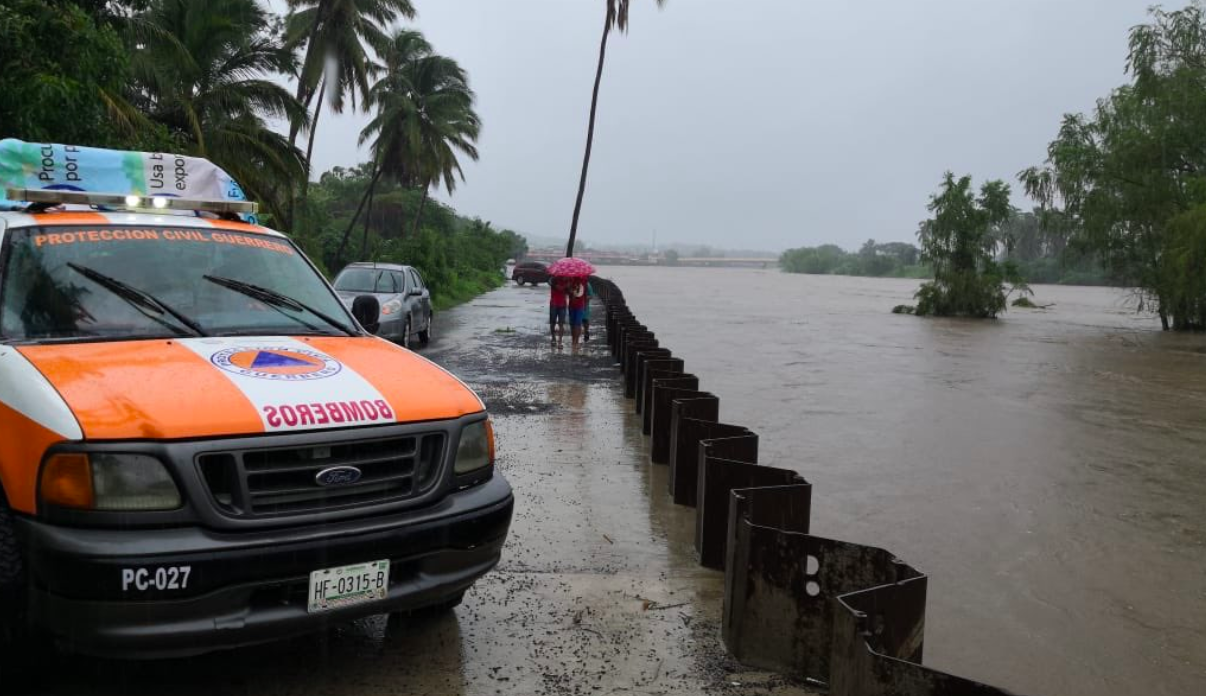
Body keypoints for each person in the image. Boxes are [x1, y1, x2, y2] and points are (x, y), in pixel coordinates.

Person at [568, 278, 588, 348]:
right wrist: (570, 291)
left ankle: (576, 341)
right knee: (573, 324)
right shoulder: (570, 281)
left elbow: (584, 293)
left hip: (580, 306)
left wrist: (585, 304)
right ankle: (574, 340)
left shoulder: (583, 281)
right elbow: (568, 293)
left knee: (577, 324)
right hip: (572, 306)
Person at [549, 276, 569, 347]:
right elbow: (559, 288)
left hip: (562, 304)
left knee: (561, 324)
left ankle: (560, 341)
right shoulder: (553, 279)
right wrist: (566, 285)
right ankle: (553, 338)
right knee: (553, 322)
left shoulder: (566, 280)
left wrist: (568, 286)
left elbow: (568, 292)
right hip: (554, 304)